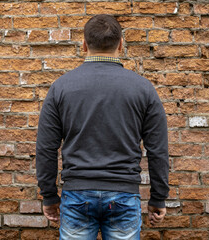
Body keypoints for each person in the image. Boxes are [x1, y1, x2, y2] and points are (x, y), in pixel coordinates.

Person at [36, 14, 169, 240]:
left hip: (77, 195)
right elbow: (157, 150)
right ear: (121, 44)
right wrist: (158, 198)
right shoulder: (143, 89)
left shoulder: (61, 88)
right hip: (124, 195)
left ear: (84, 44)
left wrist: (49, 196)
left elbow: (46, 148)